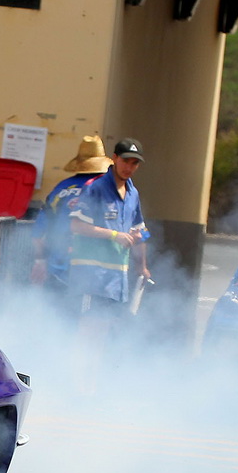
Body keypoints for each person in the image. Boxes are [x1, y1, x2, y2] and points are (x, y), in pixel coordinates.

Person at [68, 137, 152, 392]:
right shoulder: (95, 188)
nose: (130, 167)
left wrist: (142, 266)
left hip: (116, 279)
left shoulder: (133, 193)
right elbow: (76, 225)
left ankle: (91, 388)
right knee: (88, 331)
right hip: (92, 276)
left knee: (103, 332)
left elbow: (140, 232)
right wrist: (114, 235)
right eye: (126, 161)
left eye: (135, 163)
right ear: (114, 159)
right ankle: (77, 387)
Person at [30, 135, 112, 306]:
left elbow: (38, 232)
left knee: (54, 316)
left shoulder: (61, 188)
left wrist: (40, 261)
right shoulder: (108, 191)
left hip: (57, 268)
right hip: (92, 272)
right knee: (87, 318)